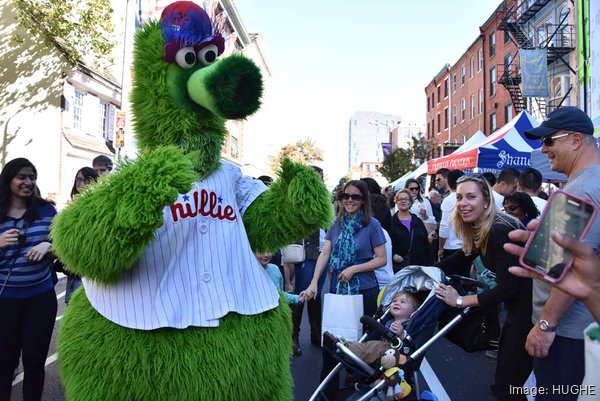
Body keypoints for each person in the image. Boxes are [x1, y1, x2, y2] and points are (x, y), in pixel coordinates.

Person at [521, 106, 600, 401]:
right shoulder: (586, 184)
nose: (543, 148)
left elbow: (566, 268)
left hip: (569, 335)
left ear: (576, 140)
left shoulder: (580, 191)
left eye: (549, 141)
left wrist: (545, 324)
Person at [433, 174, 532, 401]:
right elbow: (460, 258)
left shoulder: (499, 229)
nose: (463, 203)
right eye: (459, 197)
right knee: (505, 380)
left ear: (486, 201)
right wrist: (421, 272)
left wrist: (460, 300)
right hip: (516, 311)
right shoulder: (482, 228)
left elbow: (509, 288)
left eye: (471, 197)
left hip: (531, 312)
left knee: (510, 384)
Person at [301, 180, 386, 400]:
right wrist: (313, 283)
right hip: (337, 290)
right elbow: (325, 254)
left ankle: (357, 392)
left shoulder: (372, 225)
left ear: (363, 200)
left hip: (364, 291)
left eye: (355, 197)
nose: (349, 200)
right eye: (345, 196)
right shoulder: (336, 223)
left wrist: (355, 268)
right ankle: (325, 394)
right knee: (332, 343)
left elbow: (382, 259)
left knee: (359, 345)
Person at [0, 158, 58, 401]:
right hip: (5, 301)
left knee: (34, 362)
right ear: (9, 179)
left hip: (40, 299)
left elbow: (65, 245)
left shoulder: (46, 210)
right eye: (22, 177)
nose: (28, 182)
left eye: (32, 177)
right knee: (4, 363)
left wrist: (49, 244)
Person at [291, 166, 329, 356]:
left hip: (324, 251)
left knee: (317, 294)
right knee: (303, 293)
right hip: (307, 253)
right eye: (315, 178)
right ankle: (293, 337)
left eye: (320, 178)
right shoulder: (300, 199)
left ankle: (316, 333)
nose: (319, 181)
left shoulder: (325, 197)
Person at [62, 167, 98, 304]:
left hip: (88, 271)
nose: (81, 183)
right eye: (78, 179)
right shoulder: (71, 206)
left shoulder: (97, 206)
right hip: (72, 271)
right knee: (71, 305)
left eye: (86, 180)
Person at [390, 189, 434, 272]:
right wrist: (393, 255)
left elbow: (426, 244)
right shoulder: (391, 222)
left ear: (410, 202)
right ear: (396, 202)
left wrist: (431, 266)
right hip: (400, 267)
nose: (403, 201)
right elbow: (386, 244)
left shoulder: (418, 221)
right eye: (400, 199)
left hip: (419, 266)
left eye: (406, 199)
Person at [438, 169, 465, 264]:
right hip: (466, 246)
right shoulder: (468, 199)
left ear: (449, 182)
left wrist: (440, 247)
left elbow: (444, 227)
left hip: (451, 247)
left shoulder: (448, 200)